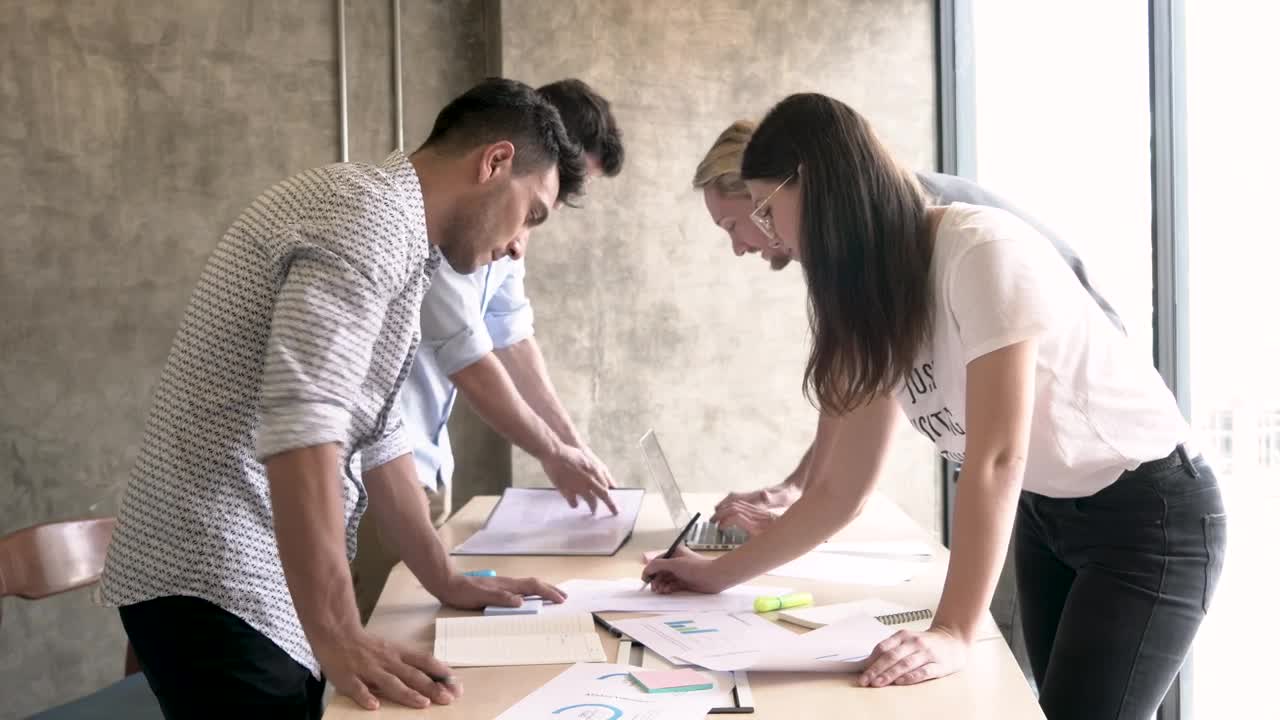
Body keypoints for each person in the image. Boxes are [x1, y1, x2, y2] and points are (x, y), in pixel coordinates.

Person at [647, 94, 1225, 720]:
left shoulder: (978, 250)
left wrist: (951, 631)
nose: (766, 234)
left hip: (1149, 517)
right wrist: (718, 574)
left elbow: (998, 456)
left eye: (765, 209)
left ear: (812, 184)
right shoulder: (869, 295)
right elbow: (839, 491)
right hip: (1048, 509)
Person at [99, 78, 585, 719]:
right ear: (494, 162)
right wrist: (338, 632)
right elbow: (304, 422)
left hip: (250, 573)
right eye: (533, 214)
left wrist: (443, 577)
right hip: (212, 571)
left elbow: (377, 431)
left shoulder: (402, 235)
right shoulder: (369, 218)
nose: (521, 243)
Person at [692, 119, 1125, 536]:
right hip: (1041, 458)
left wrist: (808, 497)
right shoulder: (840, 237)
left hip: (1089, 423)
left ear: (763, 195)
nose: (738, 248)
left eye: (733, 225)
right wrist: (799, 488)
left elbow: (868, 380)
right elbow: (850, 383)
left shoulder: (894, 219)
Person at [352, 78, 625, 622]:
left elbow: (512, 337)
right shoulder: (414, 228)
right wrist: (550, 451)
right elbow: (469, 358)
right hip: (369, 482)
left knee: (410, 630)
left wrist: (572, 447)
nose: (524, 239)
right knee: (380, 643)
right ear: (509, 157)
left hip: (419, 462)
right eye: (547, 200)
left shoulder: (488, 233)